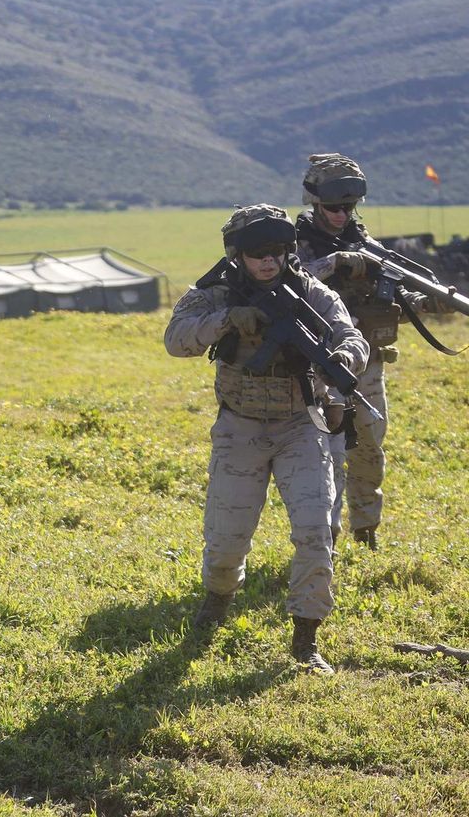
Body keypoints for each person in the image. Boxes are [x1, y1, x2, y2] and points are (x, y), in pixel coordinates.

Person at [165, 204, 368, 675]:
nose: (269, 261)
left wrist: (341, 358)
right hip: (241, 427)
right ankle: (216, 604)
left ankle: (305, 637)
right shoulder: (214, 292)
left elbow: (352, 338)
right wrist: (229, 319)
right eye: (259, 253)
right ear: (239, 255)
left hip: (302, 426)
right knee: (226, 539)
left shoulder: (311, 293)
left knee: (317, 531)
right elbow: (176, 339)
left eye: (278, 251)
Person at [294, 153, 429, 550]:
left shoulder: (365, 244)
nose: (341, 215)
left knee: (369, 446)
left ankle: (366, 527)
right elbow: (290, 283)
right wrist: (335, 263)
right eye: (333, 207)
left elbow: (397, 299)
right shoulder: (289, 243)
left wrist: (428, 303)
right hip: (320, 364)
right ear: (314, 202)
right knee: (329, 452)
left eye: (349, 207)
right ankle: (327, 539)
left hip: (367, 363)